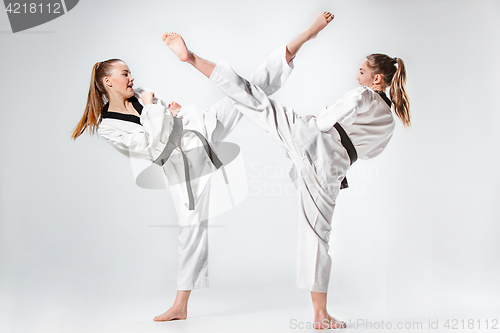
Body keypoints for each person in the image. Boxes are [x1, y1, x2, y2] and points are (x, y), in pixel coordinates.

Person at [163, 11, 411, 329]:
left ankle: (191, 59)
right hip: (332, 169)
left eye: (362, 71)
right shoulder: (390, 121)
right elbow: (371, 152)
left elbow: (324, 122)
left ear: (377, 80)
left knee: (251, 98)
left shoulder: (363, 94)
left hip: (312, 140)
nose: (357, 76)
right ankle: (321, 316)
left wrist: (314, 121)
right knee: (318, 236)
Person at [70, 39, 297, 321]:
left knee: (243, 93)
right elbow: (151, 148)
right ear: (109, 82)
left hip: (198, 130)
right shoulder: (109, 126)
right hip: (183, 168)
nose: (132, 78)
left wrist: (166, 112)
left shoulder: (141, 94)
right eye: (125, 73)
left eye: (129, 72)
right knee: (190, 231)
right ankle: (181, 305)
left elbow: (163, 124)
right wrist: (156, 109)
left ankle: (291, 50)